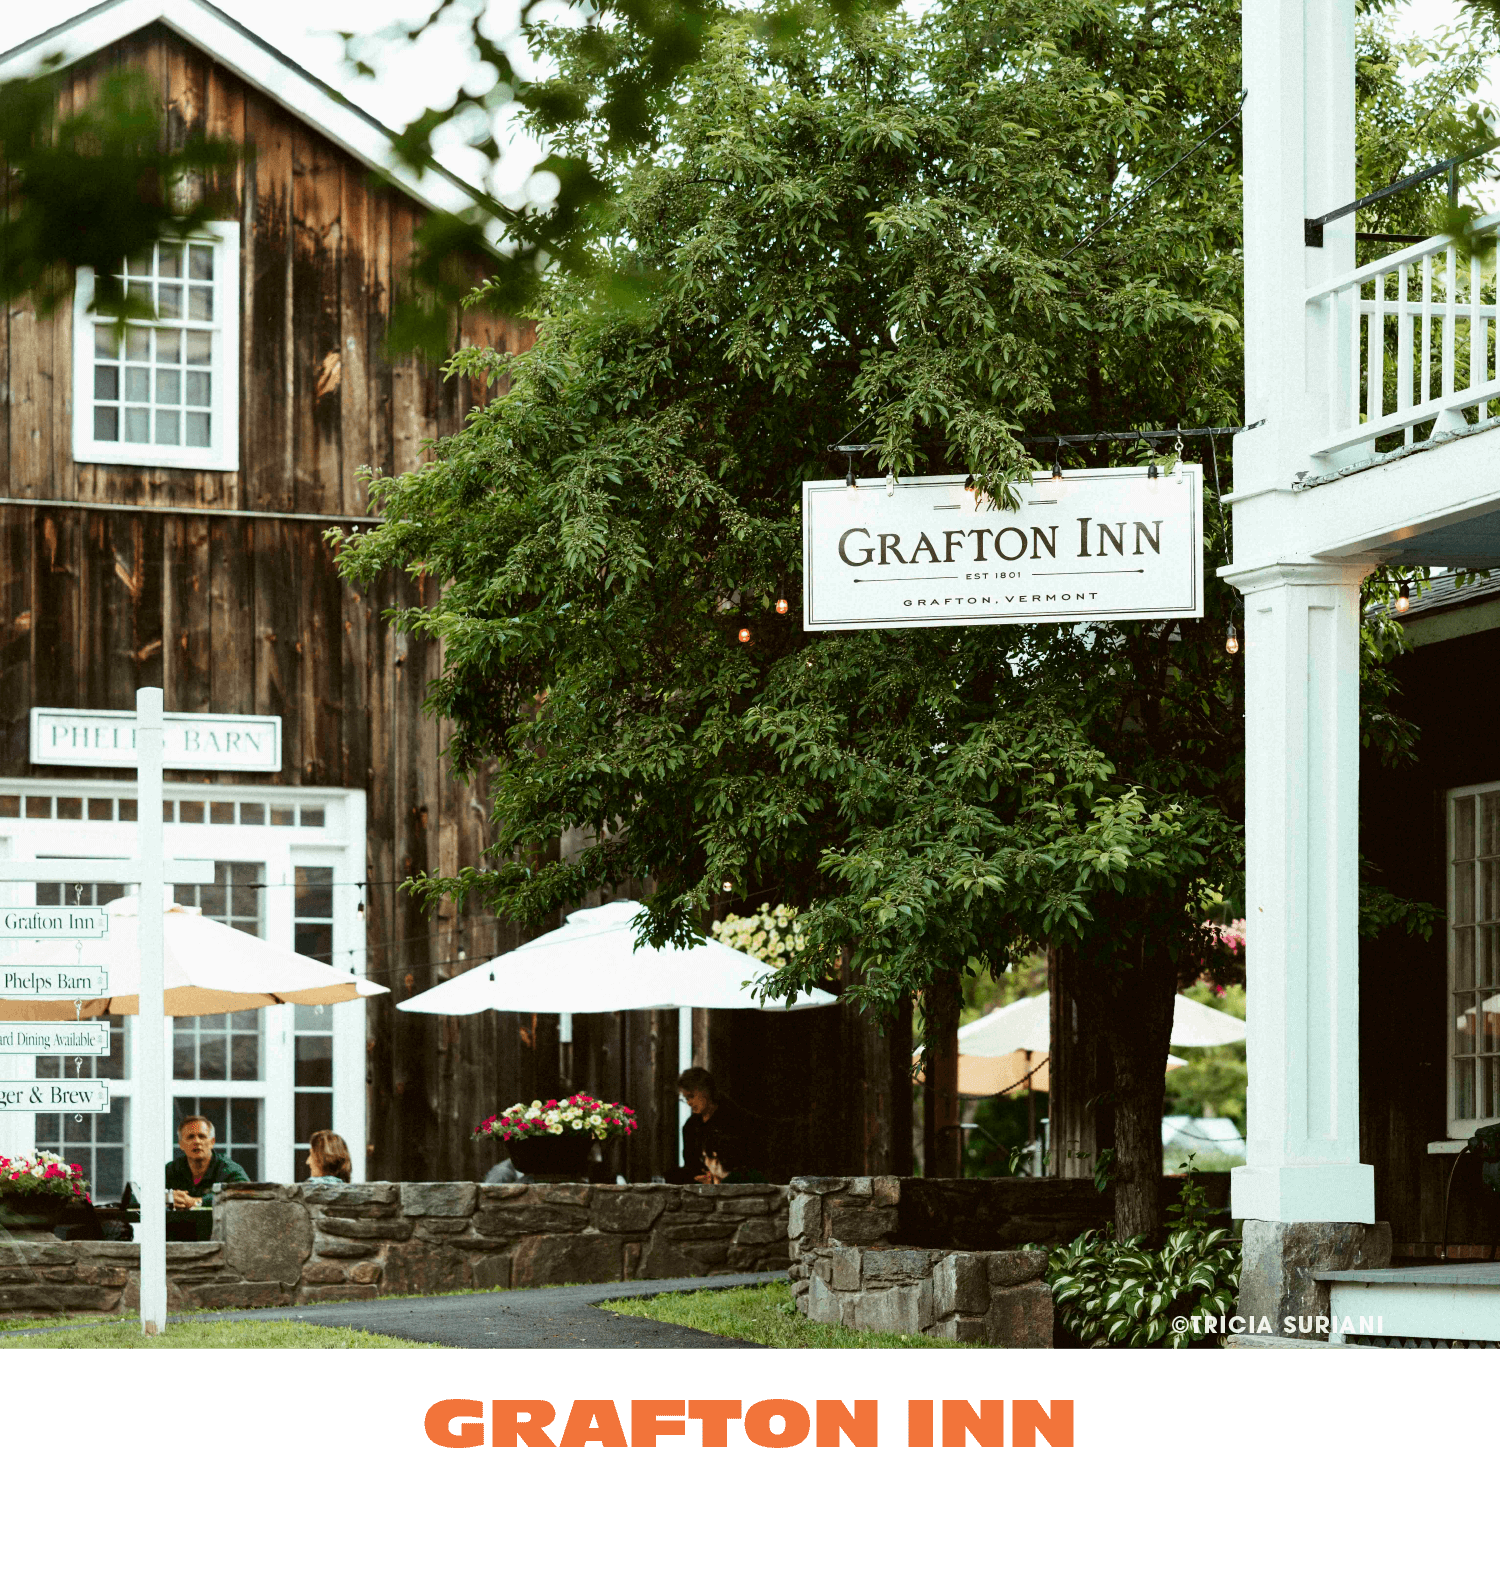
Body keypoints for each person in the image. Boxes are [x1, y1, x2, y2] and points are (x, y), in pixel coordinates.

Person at [667, 1067, 765, 1183]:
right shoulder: (690, 1127)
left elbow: (746, 1161)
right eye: (686, 1099)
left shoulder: (735, 1118)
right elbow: (691, 1163)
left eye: (692, 1096)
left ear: (706, 1090)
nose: (689, 1103)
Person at [165, 1115, 250, 1207]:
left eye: (202, 1136)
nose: (197, 1141)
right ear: (181, 1144)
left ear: (212, 1142)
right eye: (190, 1137)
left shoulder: (229, 1169)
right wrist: (167, 1198)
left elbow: (244, 1193)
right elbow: (149, 1193)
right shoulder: (170, 1169)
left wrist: (197, 1202)